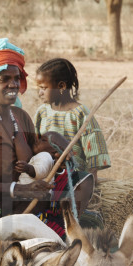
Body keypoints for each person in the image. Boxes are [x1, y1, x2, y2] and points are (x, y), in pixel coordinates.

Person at [0, 38, 74, 236]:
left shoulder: (21, 117)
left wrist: (58, 160)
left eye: (16, 78)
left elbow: (35, 158)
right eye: (4, 79)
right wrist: (17, 190)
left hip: (31, 206)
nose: (13, 85)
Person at [32, 57, 110, 204]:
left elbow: (94, 149)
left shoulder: (80, 113)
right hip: (46, 171)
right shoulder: (42, 112)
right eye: (38, 88)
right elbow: (35, 141)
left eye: (43, 88)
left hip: (72, 173)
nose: (39, 93)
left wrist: (90, 180)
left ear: (61, 86)